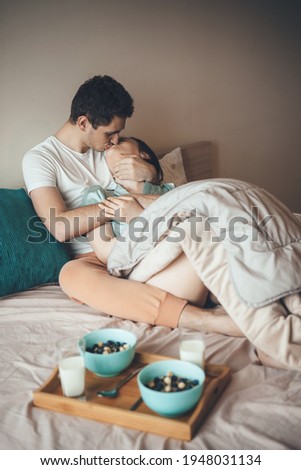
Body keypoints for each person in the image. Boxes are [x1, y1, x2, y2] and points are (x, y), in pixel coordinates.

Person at [22, 74, 242, 338]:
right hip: (92, 255)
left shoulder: (109, 148)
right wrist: (116, 208)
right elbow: (59, 226)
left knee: (200, 234)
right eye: (110, 133)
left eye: (119, 133)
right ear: (83, 122)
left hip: (140, 239)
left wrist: (151, 172)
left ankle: (232, 295)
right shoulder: (41, 159)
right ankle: (201, 319)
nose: (115, 140)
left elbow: (166, 197)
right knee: (70, 275)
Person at [81, 136, 174, 264]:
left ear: (143, 154)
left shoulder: (170, 191)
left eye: (121, 141)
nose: (112, 142)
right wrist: (139, 220)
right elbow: (106, 253)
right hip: (141, 265)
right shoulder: (97, 196)